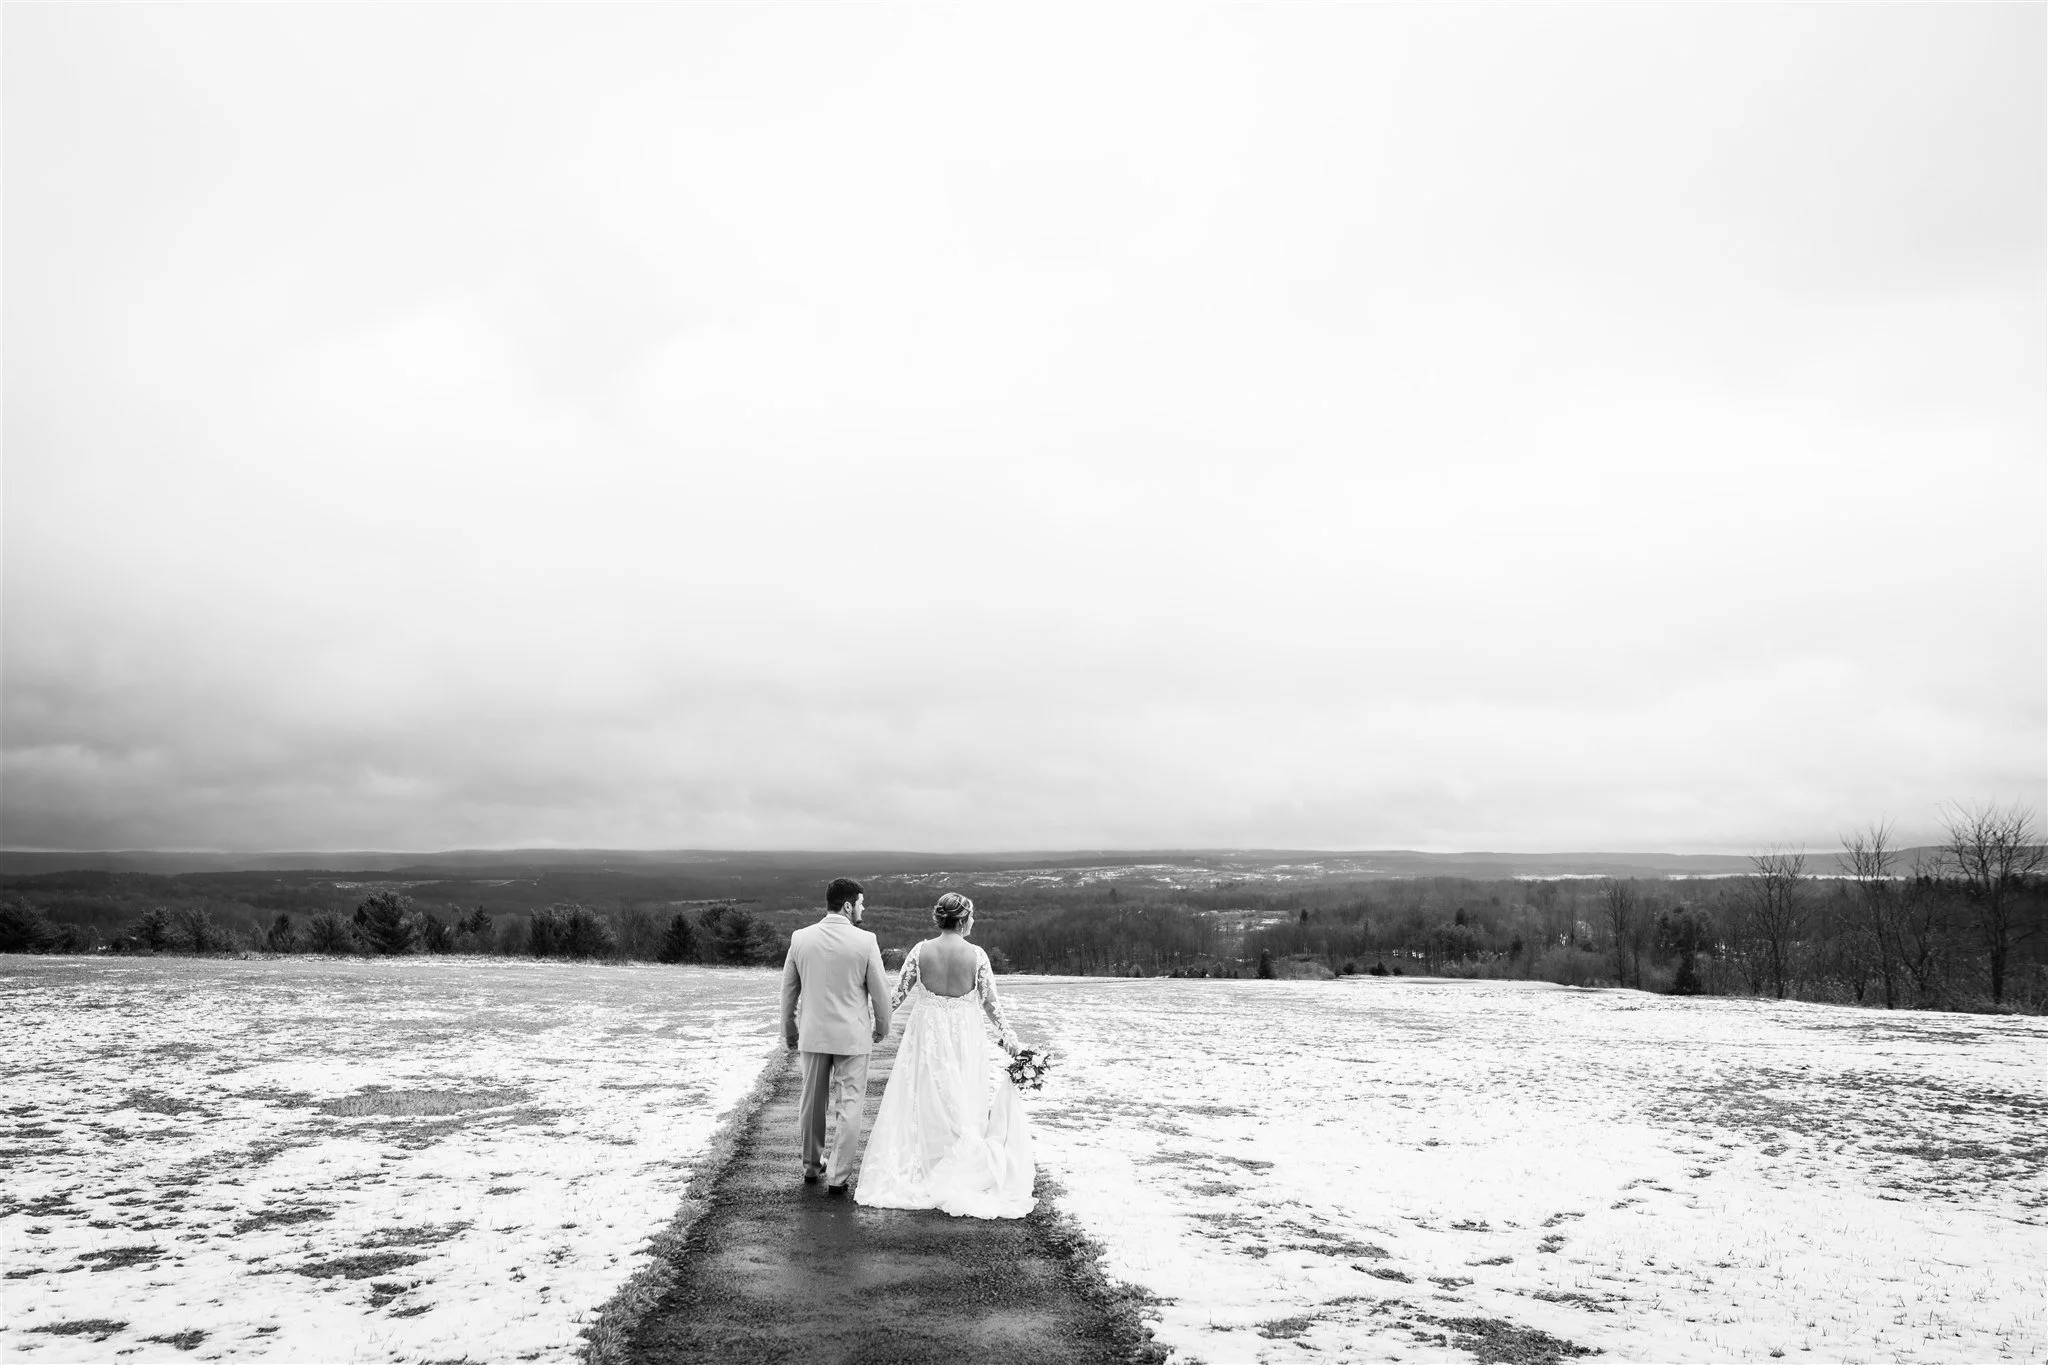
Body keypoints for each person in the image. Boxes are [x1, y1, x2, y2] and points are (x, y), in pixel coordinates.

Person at [854, 892, 1037, 1218]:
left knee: (925, 1097)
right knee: (964, 1099)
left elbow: (895, 997)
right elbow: (991, 1005)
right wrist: (1010, 1039)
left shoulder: (920, 952)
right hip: (965, 1037)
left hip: (927, 1035)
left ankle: (928, 1163)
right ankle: (957, 1164)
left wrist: (872, 1025)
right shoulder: (977, 955)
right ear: (964, 919)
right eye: (973, 917)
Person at [779, 877, 891, 1195]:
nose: (863, 908)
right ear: (847, 905)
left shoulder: (800, 939)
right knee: (850, 1105)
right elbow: (880, 993)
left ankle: (811, 1166)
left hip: (813, 1034)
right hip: (853, 1037)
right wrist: (882, 1027)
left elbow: (789, 992)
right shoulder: (866, 942)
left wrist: (789, 1029)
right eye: (860, 902)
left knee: (811, 1102)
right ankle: (838, 1177)